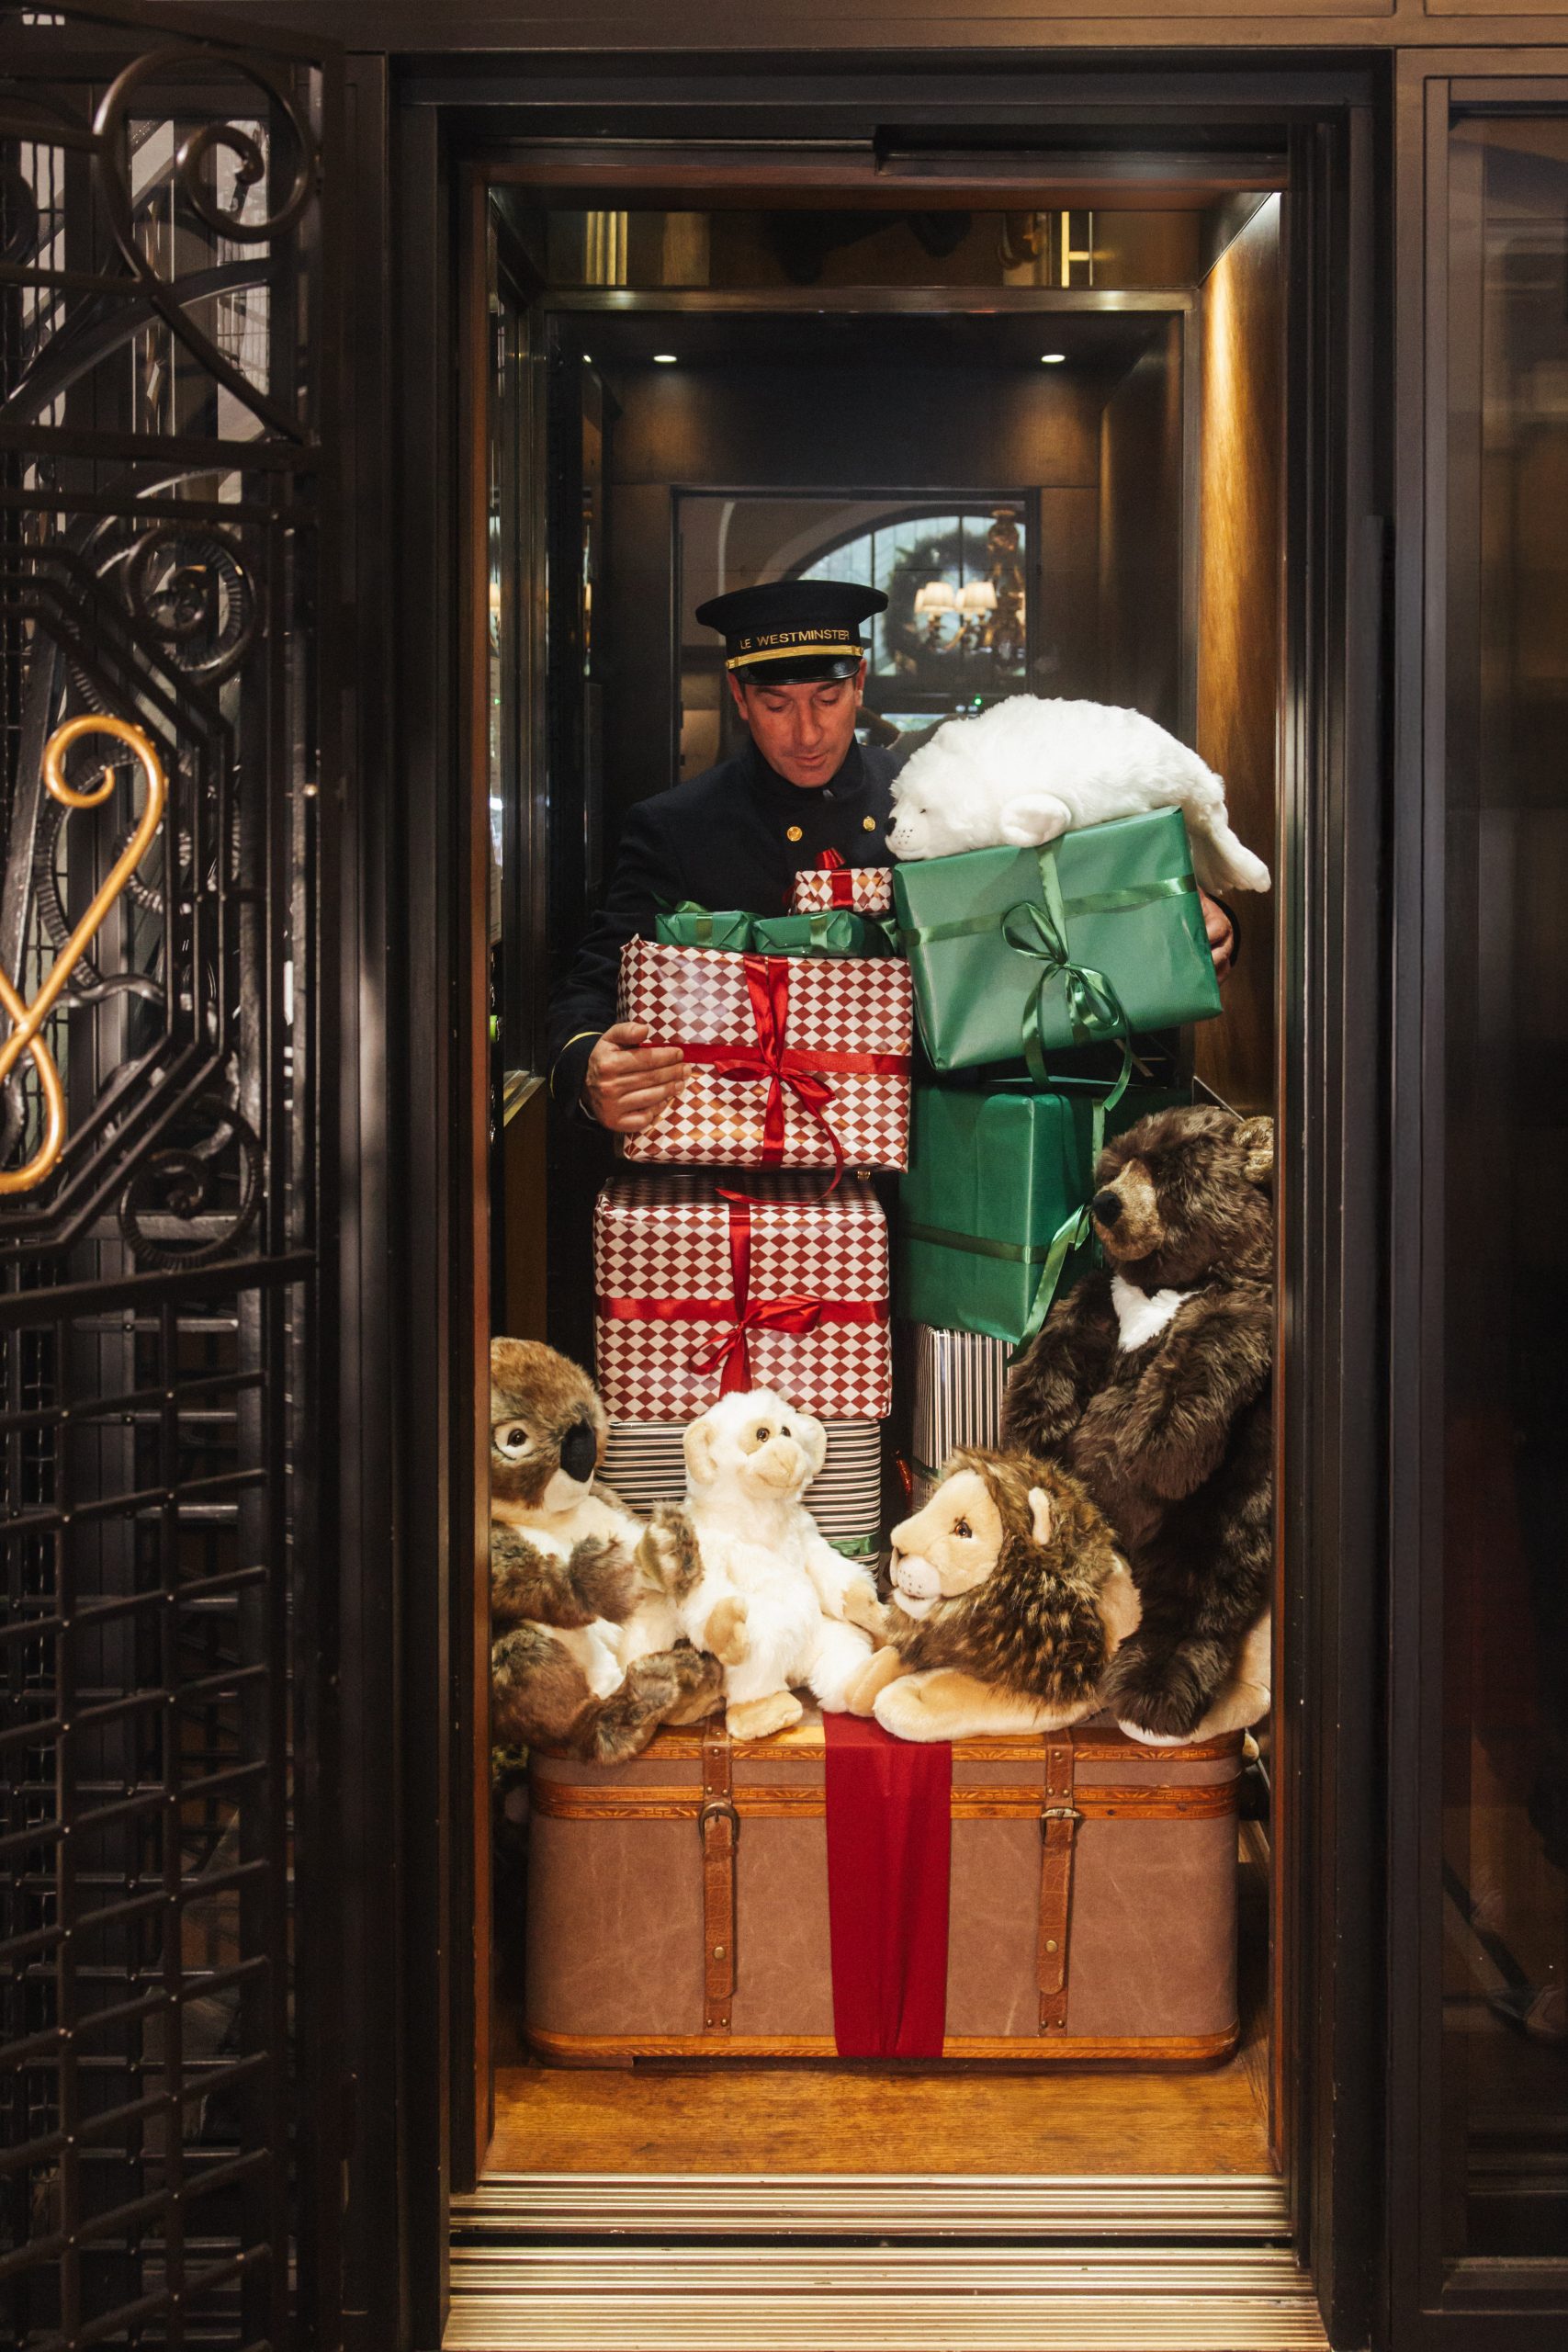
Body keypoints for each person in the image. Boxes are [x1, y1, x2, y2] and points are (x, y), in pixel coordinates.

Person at [546, 578, 1235, 1135]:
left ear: (861, 683)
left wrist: (1194, 917)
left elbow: (1066, 908)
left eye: (828, 697)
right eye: (776, 703)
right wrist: (586, 1068)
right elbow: (591, 988)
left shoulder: (944, 791)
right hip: (772, 1160)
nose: (807, 732)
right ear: (738, 696)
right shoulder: (675, 827)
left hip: (950, 1140)